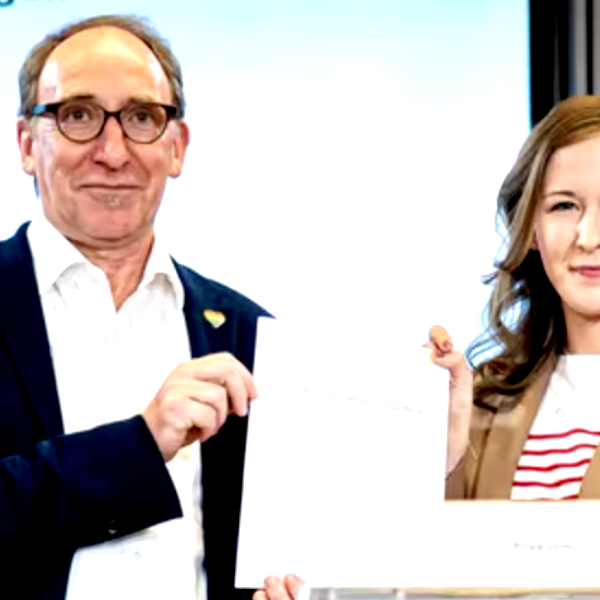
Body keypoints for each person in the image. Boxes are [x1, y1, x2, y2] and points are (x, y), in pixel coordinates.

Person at [0, 13, 303, 600]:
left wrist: (431, 455)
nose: (113, 152)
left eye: (141, 118)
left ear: (177, 147)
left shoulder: (247, 333)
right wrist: (140, 444)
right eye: (78, 115)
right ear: (27, 145)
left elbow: (286, 544)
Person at [430, 95, 600, 501]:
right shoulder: (484, 401)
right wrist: (447, 454)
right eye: (564, 205)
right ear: (530, 227)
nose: (589, 237)